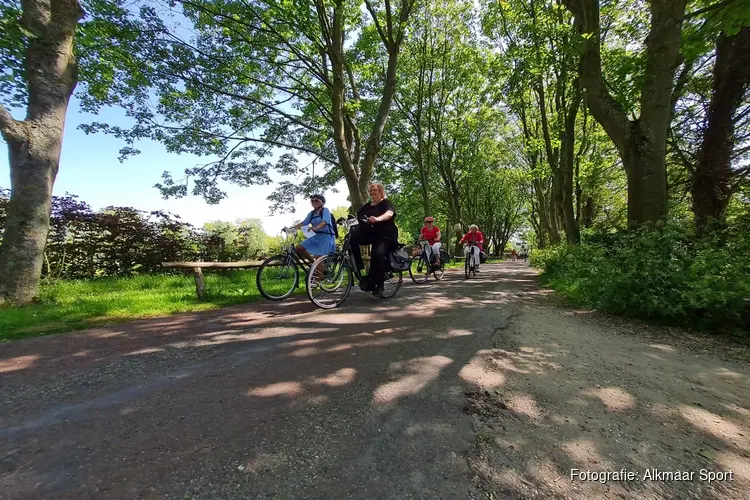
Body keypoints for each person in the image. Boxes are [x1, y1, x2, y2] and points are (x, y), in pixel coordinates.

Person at [351, 183, 398, 297]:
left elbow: (389, 213)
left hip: (386, 234)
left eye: (375, 190)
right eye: (370, 190)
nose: (372, 192)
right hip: (372, 234)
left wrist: (377, 219)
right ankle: (359, 268)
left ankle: (380, 283)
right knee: (351, 240)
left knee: (377, 254)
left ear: (381, 192)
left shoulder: (385, 203)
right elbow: (358, 216)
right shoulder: (367, 206)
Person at [286, 194, 336, 263]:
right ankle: (313, 264)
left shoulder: (325, 210)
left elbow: (325, 221)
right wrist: (292, 229)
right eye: (312, 201)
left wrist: (316, 227)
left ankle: (319, 270)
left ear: (323, 202)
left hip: (326, 237)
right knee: (299, 248)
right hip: (316, 237)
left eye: (316, 201)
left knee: (319, 259)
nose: (314, 203)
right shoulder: (312, 213)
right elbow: (303, 223)